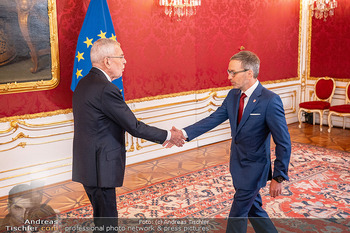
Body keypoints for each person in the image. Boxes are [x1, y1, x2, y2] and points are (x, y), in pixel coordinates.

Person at [168, 51, 291, 232]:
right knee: (254, 210)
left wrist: (279, 177)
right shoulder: (233, 96)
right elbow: (212, 119)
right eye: (228, 71)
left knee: (237, 214)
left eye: (233, 72)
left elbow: (284, 142)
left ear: (250, 73)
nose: (229, 77)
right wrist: (184, 133)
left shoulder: (270, 100)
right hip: (237, 165)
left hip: (255, 169)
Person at [72, 38, 185, 231]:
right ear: (107, 61)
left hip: (86, 164)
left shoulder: (83, 83)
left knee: (101, 217)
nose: (125, 62)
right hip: (100, 168)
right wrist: (169, 135)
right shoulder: (106, 89)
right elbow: (135, 127)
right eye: (121, 57)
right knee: (107, 221)